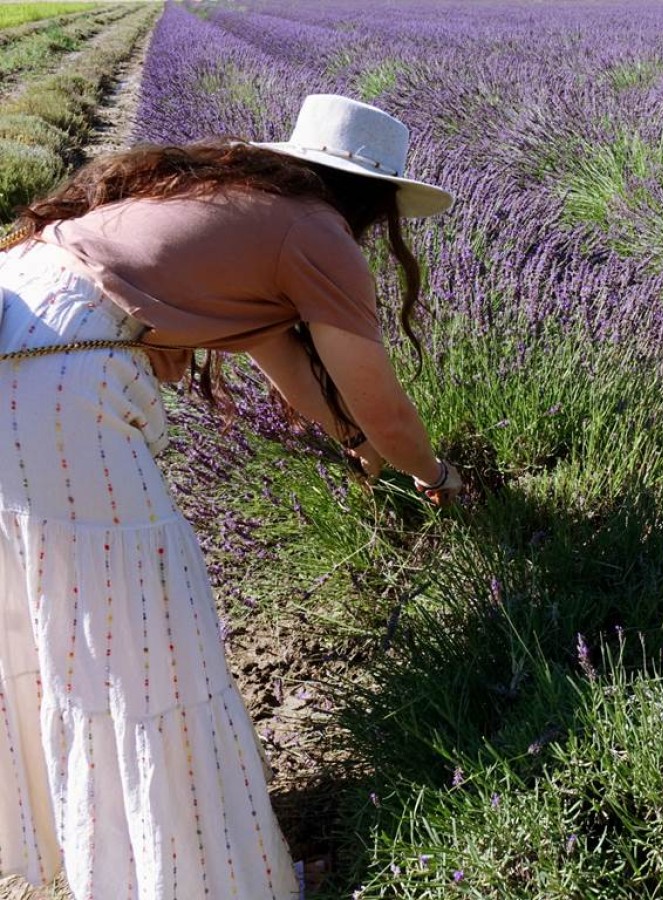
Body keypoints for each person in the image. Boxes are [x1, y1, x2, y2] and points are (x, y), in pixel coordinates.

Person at [0, 93, 462, 898]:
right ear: (372, 197)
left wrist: (356, 449)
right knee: (147, 650)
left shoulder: (228, 202)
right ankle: (201, 881)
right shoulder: (315, 231)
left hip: (16, 332)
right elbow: (385, 404)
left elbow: (286, 365)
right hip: (61, 384)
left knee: (52, 631)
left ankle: (103, 858)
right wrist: (438, 475)